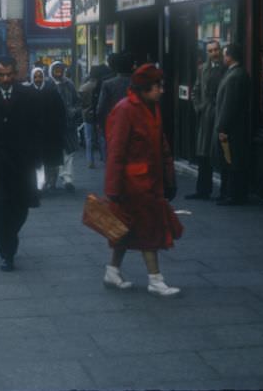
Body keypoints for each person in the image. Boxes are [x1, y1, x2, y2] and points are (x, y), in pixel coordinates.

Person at [104, 63, 183, 297]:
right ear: (145, 88)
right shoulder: (125, 109)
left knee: (126, 230)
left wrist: (169, 178)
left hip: (149, 182)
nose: (162, 90)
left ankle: (112, 271)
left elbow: (162, 145)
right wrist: (113, 188)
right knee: (148, 230)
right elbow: (116, 151)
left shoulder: (152, 107)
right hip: (133, 185)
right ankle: (155, 280)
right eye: (158, 86)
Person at [0, 55, 41, 271]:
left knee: (21, 206)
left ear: (15, 73)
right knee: (1, 206)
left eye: (9, 74)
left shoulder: (29, 95)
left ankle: (10, 234)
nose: (5, 79)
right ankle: (6, 252)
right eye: (1, 75)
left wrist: (36, 155)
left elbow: (38, 127)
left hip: (23, 163)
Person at [186, 40, 226, 200]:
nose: (214, 53)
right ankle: (203, 190)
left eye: (216, 50)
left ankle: (225, 192)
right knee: (203, 154)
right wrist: (199, 107)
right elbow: (195, 90)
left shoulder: (226, 68)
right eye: (210, 51)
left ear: (220, 50)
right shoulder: (202, 69)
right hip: (206, 116)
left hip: (221, 114)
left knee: (222, 152)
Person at [212, 43, 251, 206]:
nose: (223, 57)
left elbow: (229, 105)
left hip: (232, 129)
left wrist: (222, 127)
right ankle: (227, 193)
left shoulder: (236, 76)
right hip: (233, 127)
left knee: (231, 161)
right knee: (228, 161)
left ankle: (232, 195)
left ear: (230, 56)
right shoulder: (234, 73)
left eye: (225, 54)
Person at [28, 66, 65, 192]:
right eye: (35, 77)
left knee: (51, 159)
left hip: (50, 131)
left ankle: (51, 181)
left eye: (40, 76)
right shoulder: (28, 92)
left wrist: (59, 126)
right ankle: (40, 183)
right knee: (38, 160)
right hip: (34, 132)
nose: (38, 79)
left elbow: (60, 110)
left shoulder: (51, 91)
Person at [49, 61, 80, 192]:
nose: (58, 72)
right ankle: (51, 180)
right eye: (56, 69)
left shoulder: (69, 84)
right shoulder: (48, 85)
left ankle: (68, 179)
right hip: (53, 125)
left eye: (60, 69)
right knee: (53, 152)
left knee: (69, 152)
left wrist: (73, 111)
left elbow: (77, 101)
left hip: (68, 124)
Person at [96, 51, 135, 141]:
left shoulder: (108, 84)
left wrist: (102, 126)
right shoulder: (139, 83)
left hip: (115, 125)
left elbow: (101, 108)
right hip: (135, 126)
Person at [78, 66, 101, 169]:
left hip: (87, 115)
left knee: (89, 139)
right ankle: (104, 157)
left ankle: (90, 161)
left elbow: (80, 102)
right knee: (101, 138)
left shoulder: (83, 87)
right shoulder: (100, 86)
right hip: (98, 114)